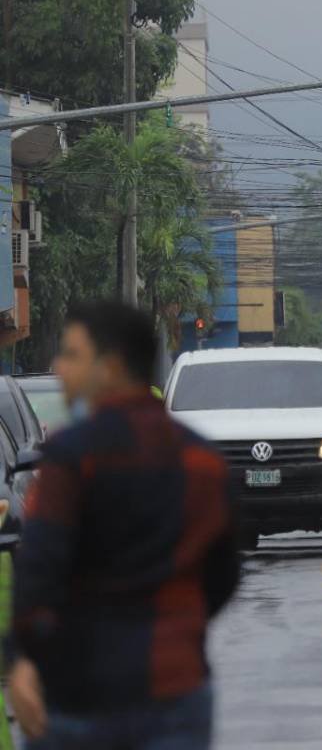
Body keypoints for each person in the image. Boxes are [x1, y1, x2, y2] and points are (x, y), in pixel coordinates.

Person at [8, 302, 240, 750]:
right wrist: (175, 620)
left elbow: (38, 571)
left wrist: (22, 659)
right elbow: (222, 576)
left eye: (72, 355)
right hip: (176, 685)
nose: (59, 367)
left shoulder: (71, 458)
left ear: (111, 367)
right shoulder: (203, 462)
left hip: (80, 691)